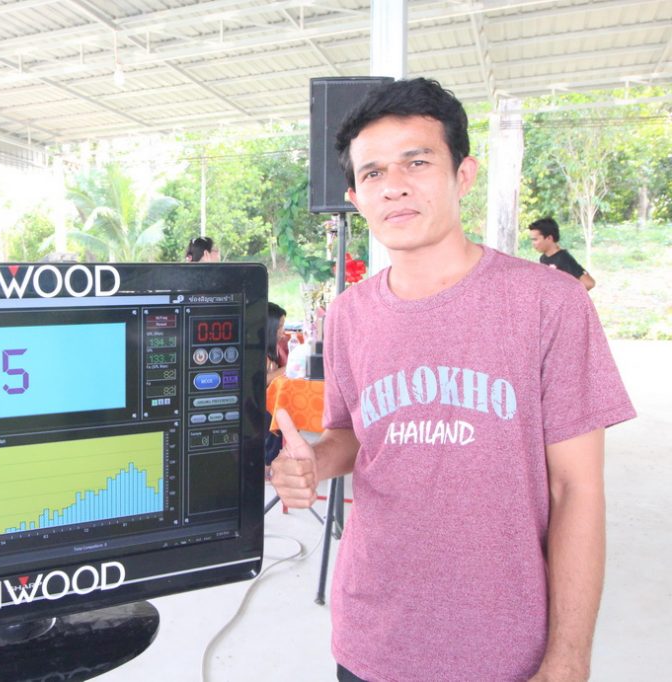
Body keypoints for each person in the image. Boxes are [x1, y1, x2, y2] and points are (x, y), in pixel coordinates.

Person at [269, 77, 635, 682]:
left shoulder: (549, 304)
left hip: (504, 648)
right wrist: (313, 461)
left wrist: (569, 657)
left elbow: (576, 490)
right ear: (356, 197)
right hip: (371, 639)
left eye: (417, 162)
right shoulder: (349, 313)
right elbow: (352, 435)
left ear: (463, 175)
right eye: (373, 173)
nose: (395, 186)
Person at [528, 217, 596, 290]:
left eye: (535, 239)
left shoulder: (564, 259)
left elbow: (589, 283)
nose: (533, 243)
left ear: (549, 238)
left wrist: (566, 293)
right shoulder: (543, 258)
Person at [265, 302, 287, 386]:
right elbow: (262, 380)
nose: (283, 331)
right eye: (279, 327)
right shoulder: (256, 353)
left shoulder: (277, 347)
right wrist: (289, 368)